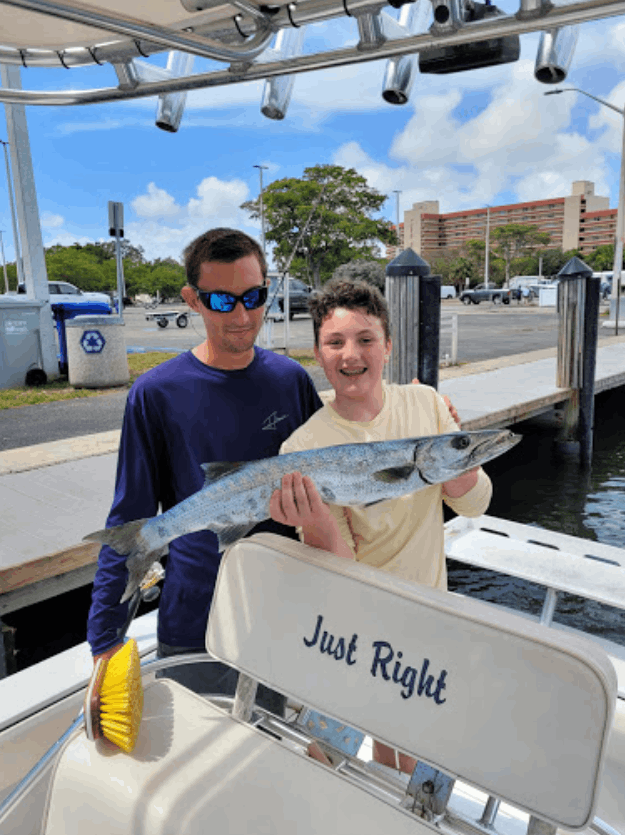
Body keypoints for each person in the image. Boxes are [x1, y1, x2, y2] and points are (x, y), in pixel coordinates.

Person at [86, 228, 322, 712]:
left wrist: (419, 409)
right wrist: (104, 637)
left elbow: (344, 461)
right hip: (196, 616)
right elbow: (130, 517)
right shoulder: (155, 393)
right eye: (221, 300)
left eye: (254, 297)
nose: (242, 315)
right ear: (192, 299)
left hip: (284, 613)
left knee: (270, 756)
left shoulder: (291, 381)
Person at [269, 277, 492, 768]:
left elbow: (476, 505)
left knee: (408, 756)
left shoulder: (427, 404)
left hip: (426, 617)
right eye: (335, 342)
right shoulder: (303, 448)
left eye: (366, 339)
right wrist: (319, 525)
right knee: (328, 755)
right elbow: (339, 564)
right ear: (318, 352)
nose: (351, 355)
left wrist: (458, 476)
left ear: (388, 346)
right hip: (349, 625)